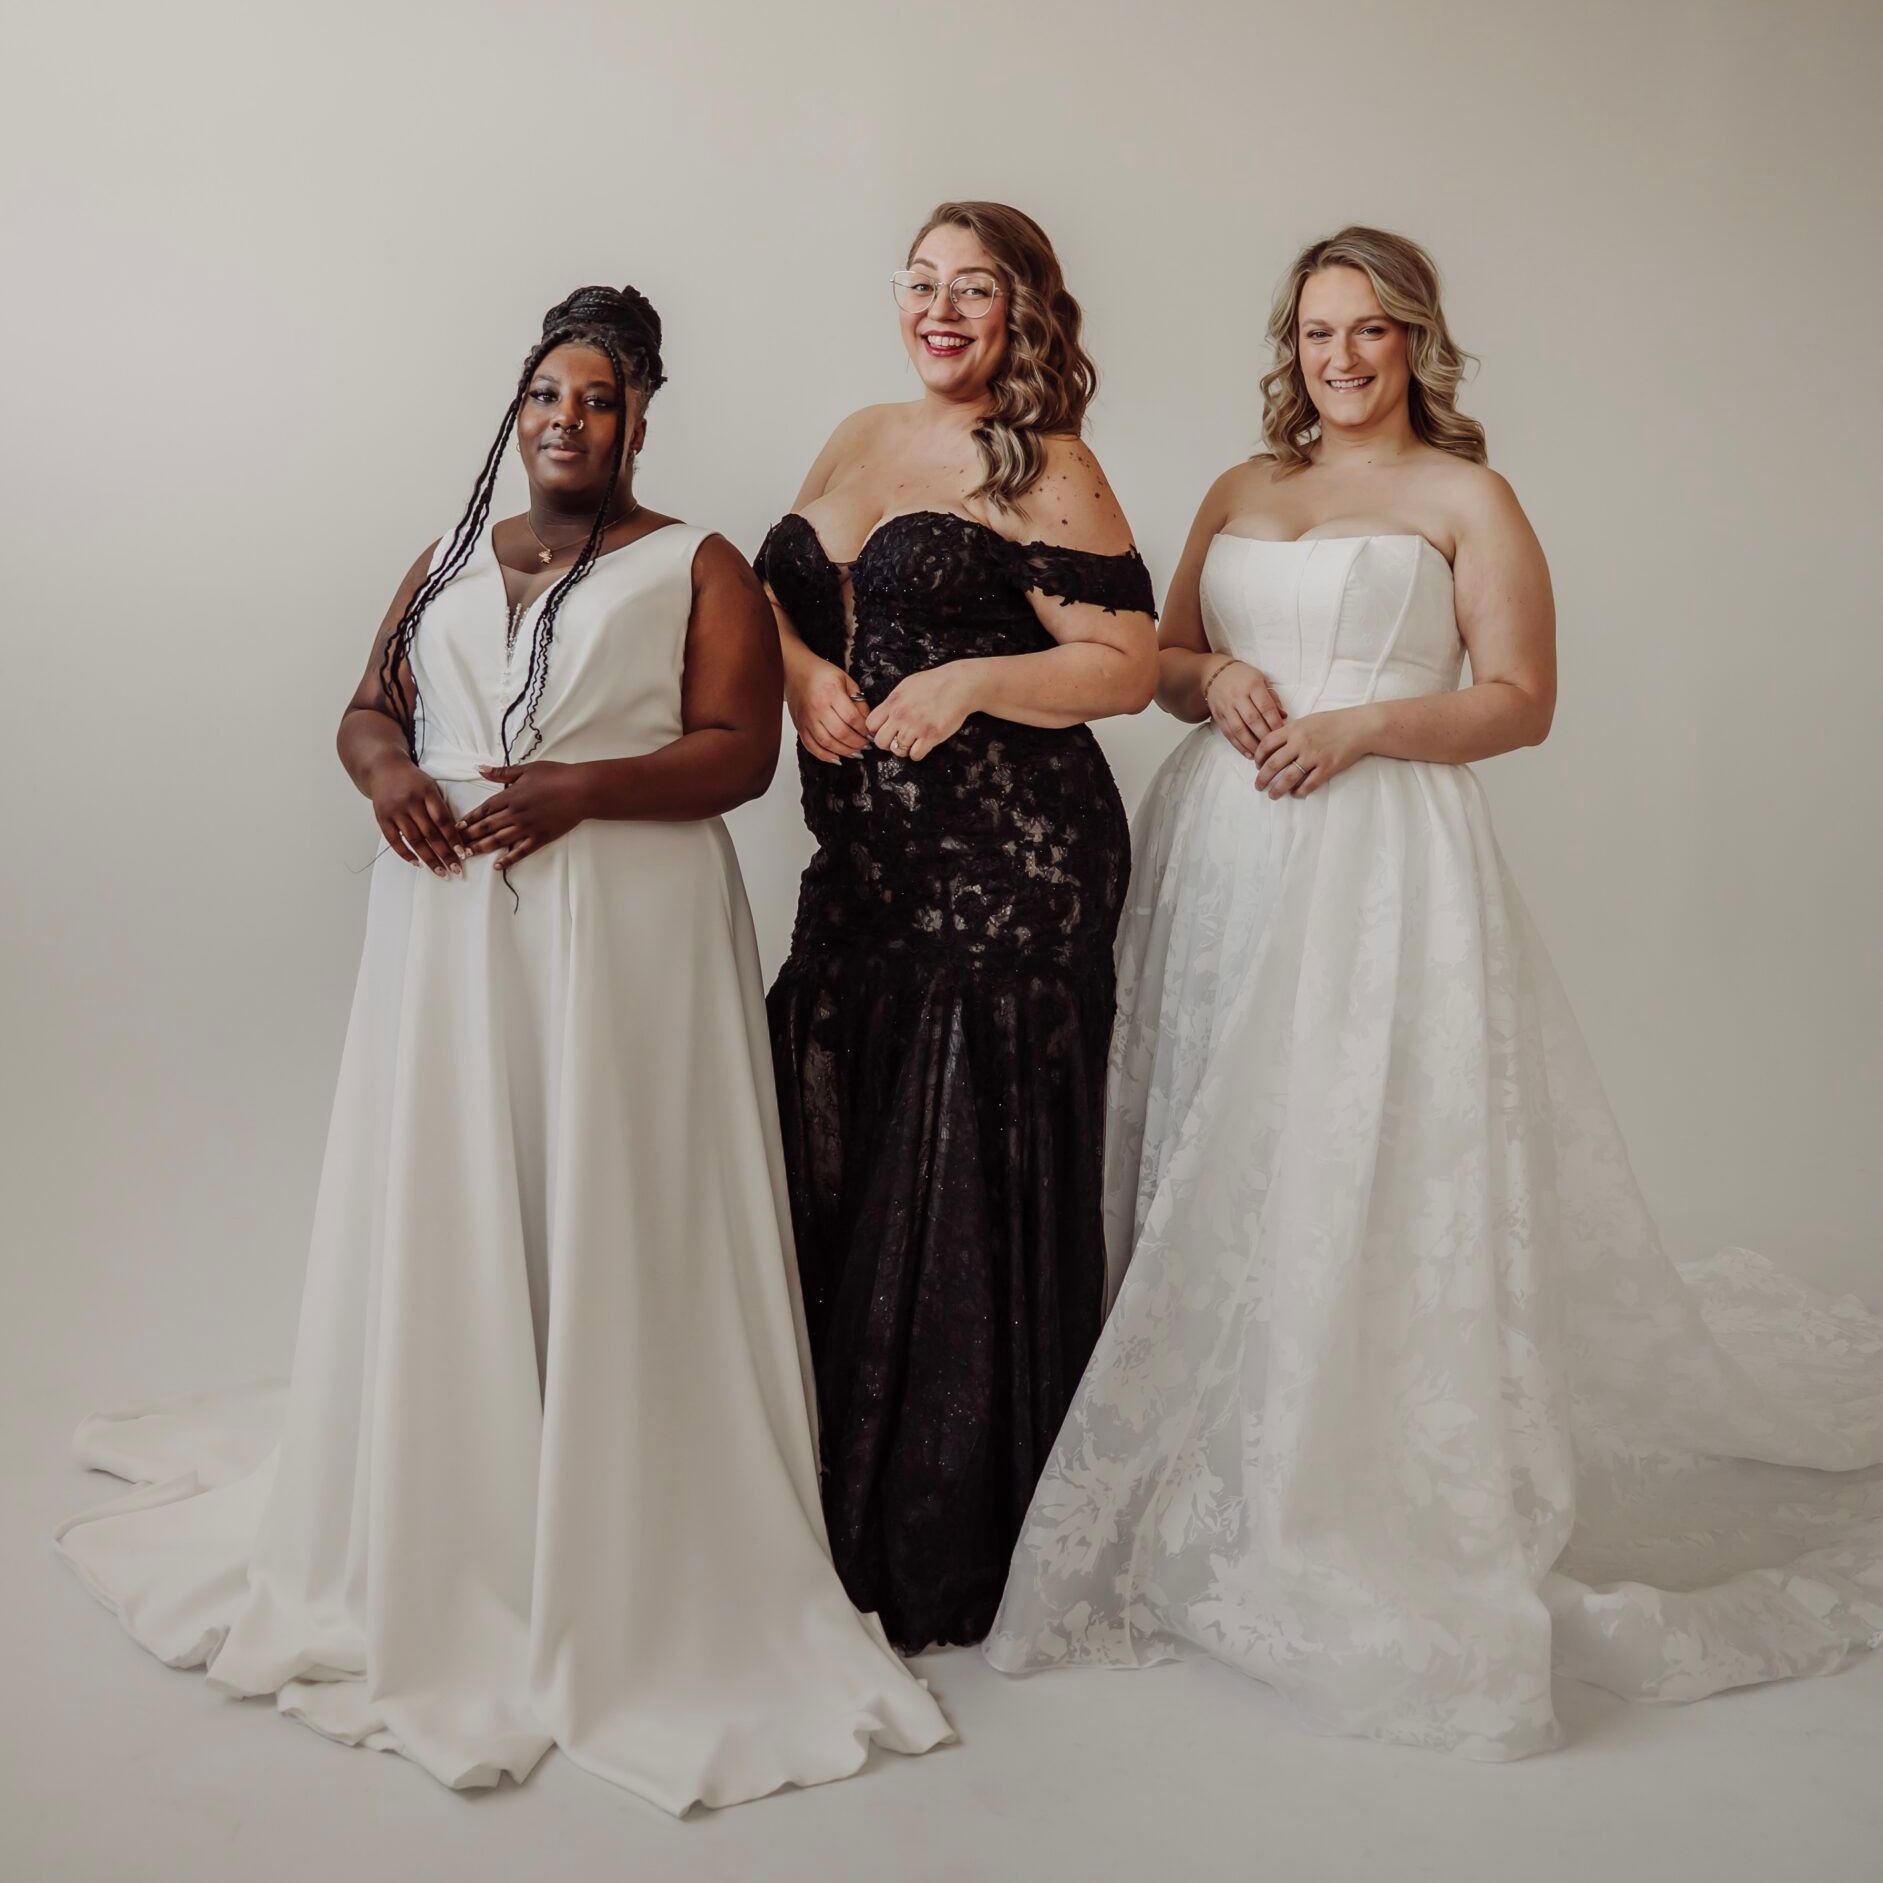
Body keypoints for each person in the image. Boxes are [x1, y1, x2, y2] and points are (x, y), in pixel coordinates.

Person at [987, 227, 1883, 1757]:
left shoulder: (1470, 498)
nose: (1341, 357)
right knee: (1221, 1133)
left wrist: (1361, 729)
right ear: (1293, 346)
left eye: (1371, 330)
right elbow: (1164, 656)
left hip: (1380, 852)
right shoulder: (1241, 489)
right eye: (1318, 331)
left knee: (1359, 1137)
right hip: (1225, 850)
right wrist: (1223, 682)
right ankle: (1215, 1430)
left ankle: (1343, 1453)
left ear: (1415, 342)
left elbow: (1523, 701)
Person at [56, 284, 952, 1813]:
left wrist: (582, 789)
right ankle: (459, 1488)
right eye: (547, 394)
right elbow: (366, 707)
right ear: (517, 406)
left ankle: (619, 1513)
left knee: (611, 1198)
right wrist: (390, 777)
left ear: (639, 417)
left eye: (598, 399)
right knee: (461, 1188)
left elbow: (740, 754)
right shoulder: (451, 553)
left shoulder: (697, 563)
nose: (567, 419)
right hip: (451, 925)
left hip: (626, 932)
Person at [754, 201, 1159, 1651]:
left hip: (1007, 872)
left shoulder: (1049, 465)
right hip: (863, 868)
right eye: (921, 283)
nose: (939, 310)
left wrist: (976, 679)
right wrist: (801, 673)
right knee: (832, 1142)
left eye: (972, 289)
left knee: (955, 1178)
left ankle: (946, 1544)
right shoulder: (858, 435)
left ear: (1022, 310)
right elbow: (773, 602)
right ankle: (811, 1506)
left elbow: (1126, 665)